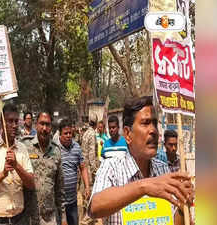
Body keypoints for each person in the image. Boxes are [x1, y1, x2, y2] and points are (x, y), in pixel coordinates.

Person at [89, 96, 194, 225]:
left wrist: (182, 207)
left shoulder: (163, 169)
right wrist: (143, 187)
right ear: (128, 134)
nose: (153, 130)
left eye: (155, 124)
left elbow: (173, 221)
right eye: (145, 123)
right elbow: (94, 207)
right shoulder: (111, 167)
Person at [0, 103, 35, 225]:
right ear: (2, 123)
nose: (14, 125)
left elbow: (31, 184)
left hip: (20, 218)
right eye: (10, 121)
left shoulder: (22, 149)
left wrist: (16, 166)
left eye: (16, 121)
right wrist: (3, 174)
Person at [20, 112, 67, 225]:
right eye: (42, 124)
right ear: (36, 125)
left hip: (49, 217)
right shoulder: (24, 146)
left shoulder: (56, 151)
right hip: (28, 216)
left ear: (51, 127)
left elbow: (60, 188)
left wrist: (64, 217)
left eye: (47, 124)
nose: (44, 128)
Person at [56, 119, 90, 225]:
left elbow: (83, 167)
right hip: (59, 203)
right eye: (65, 133)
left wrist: (87, 186)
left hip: (73, 201)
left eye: (70, 133)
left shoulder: (77, 148)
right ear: (60, 134)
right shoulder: (54, 148)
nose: (68, 135)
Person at [80, 114, 99, 225]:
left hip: (83, 167)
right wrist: (95, 170)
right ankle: (87, 218)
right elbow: (92, 154)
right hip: (88, 168)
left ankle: (84, 215)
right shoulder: (92, 134)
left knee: (84, 193)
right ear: (96, 123)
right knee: (89, 191)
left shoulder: (86, 133)